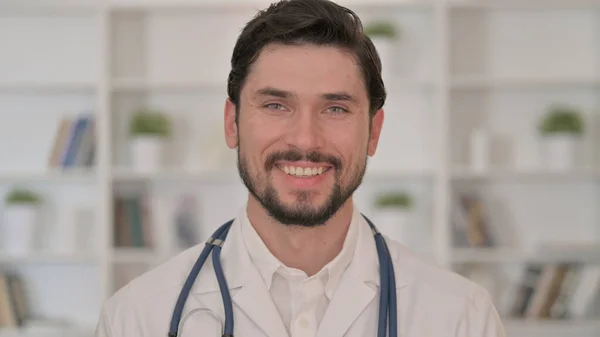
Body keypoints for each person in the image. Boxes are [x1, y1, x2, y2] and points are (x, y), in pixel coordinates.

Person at [94, 0, 506, 336]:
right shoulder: (138, 318)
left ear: (374, 132)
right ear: (232, 122)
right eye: (276, 105)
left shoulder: (460, 318)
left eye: (335, 108)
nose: (306, 140)